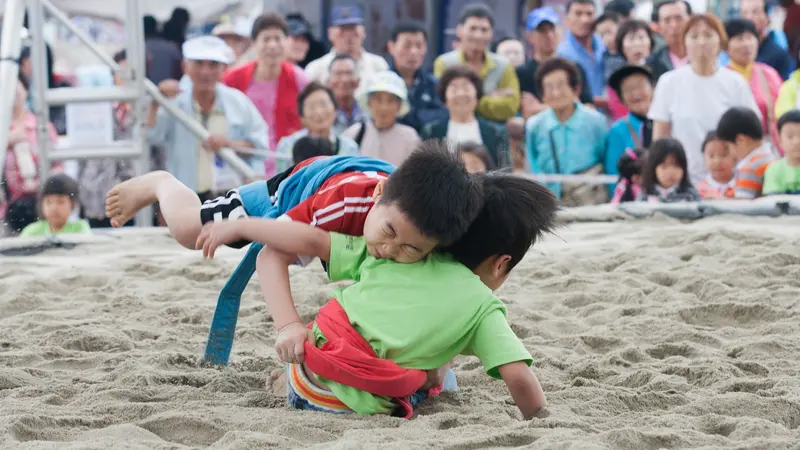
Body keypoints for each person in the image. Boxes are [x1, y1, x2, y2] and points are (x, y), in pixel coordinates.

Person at [195, 169, 557, 419]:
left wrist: (241, 226)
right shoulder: (482, 306)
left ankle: (288, 384)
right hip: (360, 405)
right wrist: (540, 420)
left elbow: (308, 240)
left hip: (308, 381)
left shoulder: (392, 249)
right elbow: (520, 379)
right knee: (432, 377)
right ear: (501, 264)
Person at [107, 143, 483, 270]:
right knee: (191, 231)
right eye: (389, 235)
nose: (390, 250)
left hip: (378, 196)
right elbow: (271, 254)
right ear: (378, 195)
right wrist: (288, 326)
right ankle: (162, 182)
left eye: (411, 250)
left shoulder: (439, 225)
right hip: (288, 196)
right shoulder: (343, 204)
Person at [146, 36, 268, 202]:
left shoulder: (238, 102)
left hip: (231, 198)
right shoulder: (173, 103)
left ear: (224, 68)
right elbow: (151, 136)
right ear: (185, 66)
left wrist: (229, 144)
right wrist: (156, 101)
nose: (205, 71)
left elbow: (260, 146)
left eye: (213, 64)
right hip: (185, 196)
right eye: (198, 63)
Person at [649, 14, 761, 184]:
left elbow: (751, 136)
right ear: (684, 42)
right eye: (694, 36)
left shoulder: (735, 83)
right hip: (682, 180)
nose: (701, 42)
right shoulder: (669, 82)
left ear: (721, 42)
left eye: (708, 35)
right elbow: (660, 138)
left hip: (729, 181)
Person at [221, 13, 309, 163]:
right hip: (243, 162)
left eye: (277, 38)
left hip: (287, 163)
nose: (272, 45)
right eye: (266, 39)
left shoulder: (299, 79)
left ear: (287, 41)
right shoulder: (233, 79)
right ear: (254, 44)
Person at [525, 57, 608, 206]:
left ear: (575, 89)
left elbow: (605, 159)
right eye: (549, 87)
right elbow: (533, 164)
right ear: (542, 95)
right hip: (550, 200)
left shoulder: (596, 121)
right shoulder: (534, 126)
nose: (556, 93)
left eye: (561, 85)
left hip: (590, 199)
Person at [434, 2, 520, 123]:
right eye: (473, 28)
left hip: (494, 134)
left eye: (484, 30)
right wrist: (490, 97)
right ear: (459, 30)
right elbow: (442, 103)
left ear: (491, 34)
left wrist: (464, 100)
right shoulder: (445, 63)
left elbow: (510, 107)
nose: (478, 35)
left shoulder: (503, 66)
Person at [78, 50, 135, 228]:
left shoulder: (147, 110)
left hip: (135, 196)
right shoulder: (97, 107)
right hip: (96, 195)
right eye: (121, 72)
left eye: (130, 73)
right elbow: (82, 155)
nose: (125, 78)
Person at [2, 79, 60, 234]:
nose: (13, 94)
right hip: (5, 208)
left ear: (26, 91)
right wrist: (8, 141)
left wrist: (46, 187)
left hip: (40, 204)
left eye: (17, 88)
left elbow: (58, 164)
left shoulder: (41, 126)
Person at [420, 65, 508, 167]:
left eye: (466, 88)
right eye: (454, 89)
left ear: (477, 96)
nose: (460, 94)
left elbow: (505, 172)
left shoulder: (496, 132)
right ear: (445, 99)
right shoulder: (431, 131)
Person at [516, 7, 593, 119]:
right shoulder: (522, 73)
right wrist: (569, 104)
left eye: (552, 29)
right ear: (530, 36)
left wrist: (540, 108)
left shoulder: (574, 68)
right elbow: (527, 111)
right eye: (542, 30)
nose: (549, 35)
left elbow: (589, 107)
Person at [724, 18, 782, 151]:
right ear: (726, 46)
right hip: (731, 149)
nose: (746, 44)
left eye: (750, 38)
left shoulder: (769, 74)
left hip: (767, 147)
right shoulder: (723, 77)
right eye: (739, 39)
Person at [275, 82, 359, 173]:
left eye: (323, 105)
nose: (319, 112)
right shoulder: (287, 145)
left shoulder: (349, 147)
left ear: (335, 110)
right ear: (302, 116)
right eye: (312, 107)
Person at [343, 71, 421, 166]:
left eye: (391, 101)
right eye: (378, 100)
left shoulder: (410, 137)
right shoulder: (353, 133)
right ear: (369, 103)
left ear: (399, 106)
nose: (384, 107)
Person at [304, 4, 389, 91]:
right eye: (342, 33)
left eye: (354, 32)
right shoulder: (315, 69)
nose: (349, 38)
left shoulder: (378, 65)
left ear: (363, 33)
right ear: (330, 34)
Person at [387, 21, 448, 133]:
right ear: (391, 47)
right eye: (407, 46)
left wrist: (410, 116)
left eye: (419, 46)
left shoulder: (434, 84)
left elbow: (444, 115)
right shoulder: (384, 84)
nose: (414, 52)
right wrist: (423, 116)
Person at [716, 106, 777, 199]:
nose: (731, 154)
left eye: (727, 147)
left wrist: (719, 200)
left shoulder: (750, 168)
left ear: (740, 140)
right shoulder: (772, 155)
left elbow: (742, 205)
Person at [606, 65, 654, 177]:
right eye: (628, 89)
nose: (636, 93)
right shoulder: (618, 131)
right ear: (621, 98)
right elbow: (613, 172)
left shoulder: (667, 122)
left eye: (640, 86)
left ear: (652, 88)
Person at [557, 0, 606, 100]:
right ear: (567, 19)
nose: (584, 20)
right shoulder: (562, 54)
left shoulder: (605, 46)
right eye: (578, 14)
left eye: (589, 14)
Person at [606, 20, 655, 120]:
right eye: (631, 39)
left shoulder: (660, 71)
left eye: (641, 38)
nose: (637, 44)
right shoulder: (617, 78)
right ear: (621, 46)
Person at [19, 174, 90, 237]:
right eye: (48, 202)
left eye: (60, 202)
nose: (54, 208)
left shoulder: (80, 229)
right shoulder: (32, 231)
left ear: (74, 204)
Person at [738, 0, 794, 80]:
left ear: (767, 17)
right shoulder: (732, 53)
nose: (749, 18)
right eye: (744, 13)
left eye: (755, 12)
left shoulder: (779, 56)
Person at [638, 138, 701, 202]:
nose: (671, 172)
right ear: (653, 168)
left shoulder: (690, 195)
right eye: (664, 167)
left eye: (677, 166)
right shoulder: (645, 195)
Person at [646, 0, 692, 82]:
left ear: (690, 20)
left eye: (679, 18)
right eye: (667, 20)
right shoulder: (652, 63)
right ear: (658, 26)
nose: (674, 25)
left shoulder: (708, 55)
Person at [763, 109, 800, 194]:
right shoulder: (774, 170)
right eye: (790, 136)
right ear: (780, 140)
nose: (797, 142)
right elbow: (773, 200)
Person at [329, 53, 365, 135]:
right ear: (329, 82)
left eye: (349, 73)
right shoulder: (323, 116)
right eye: (338, 74)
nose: (344, 80)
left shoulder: (369, 115)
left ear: (358, 81)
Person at [143, 15, 182, 85]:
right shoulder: (172, 47)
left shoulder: (140, 49)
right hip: (169, 92)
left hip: (147, 90)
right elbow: (179, 72)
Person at [696, 132, 736, 199]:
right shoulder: (699, 190)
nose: (717, 161)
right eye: (711, 156)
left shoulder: (743, 184)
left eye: (723, 155)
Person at [594, 11, 625, 85]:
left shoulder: (628, 52)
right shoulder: (603, 57)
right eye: (602, 35)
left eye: (609, 32)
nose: (606, 38)